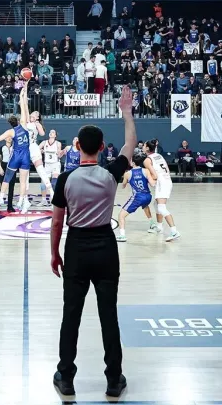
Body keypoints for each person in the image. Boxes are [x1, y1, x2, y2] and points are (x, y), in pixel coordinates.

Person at [49, 85, 138, 398]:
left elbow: (57, 222)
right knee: (108, 315)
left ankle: (66, 377)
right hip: (105, 246)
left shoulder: (65, 179)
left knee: (71, 315)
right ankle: (114, 380)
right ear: (101, 147)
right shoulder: (111, 174)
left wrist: (54, 254)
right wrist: (126, 113)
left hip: (76, 247)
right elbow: (130, 143)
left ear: (76, 146)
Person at [0, 85, 32, 213]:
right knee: (23, 181)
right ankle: (21, 201)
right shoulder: (24, 125)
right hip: (26, 156)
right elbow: (24, 109)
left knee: (7, 178)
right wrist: (22, 95)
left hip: (16, 156)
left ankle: (1, 198)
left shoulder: (11, 132)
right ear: (18, 121)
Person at [142, 139, 180, 241]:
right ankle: (159, 227)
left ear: (147, 148)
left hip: (162, 183)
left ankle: (174, 231)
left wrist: (145, 179)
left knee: (161, 208)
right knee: (156, 205)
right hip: (166, 181)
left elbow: (154, 176)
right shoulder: (159, 155)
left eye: (144, 145)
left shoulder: (147, 160)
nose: (142, 147)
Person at [116, 153, 156, 242]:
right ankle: (152, 224)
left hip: (138, 197)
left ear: (133, 163)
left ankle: (122, 235)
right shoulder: (146, 171)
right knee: (145, 206)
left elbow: (123, 186)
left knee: (121, 216)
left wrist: (126, 180)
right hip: (148, 196)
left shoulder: (127, 174)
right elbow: (153, 184)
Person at [37, 130, 63, 206]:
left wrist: (60, 153)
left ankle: (54, 199)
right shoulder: (44, 142)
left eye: (53, 132)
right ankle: (43, 200)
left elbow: (59, 154)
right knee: (43, 184)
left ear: (55, 135)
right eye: (50, 132)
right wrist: (41, 150)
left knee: (54, 183)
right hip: (47, 165)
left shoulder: (58, 143)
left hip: (55, 164)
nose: (51, 133)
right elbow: (37, 149)